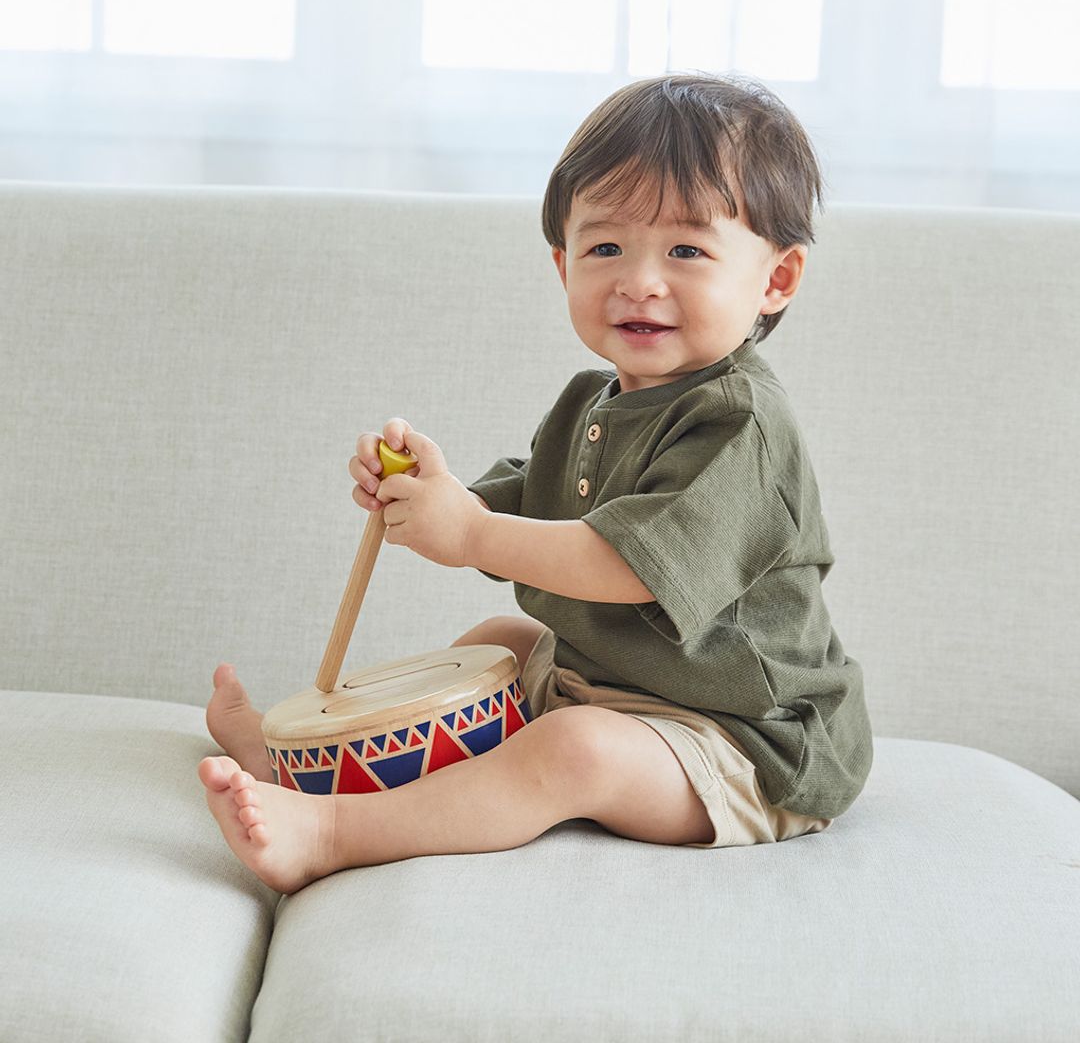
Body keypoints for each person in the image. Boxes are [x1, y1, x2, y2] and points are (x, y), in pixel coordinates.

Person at [199, 72, 873, 894]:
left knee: (574, 748)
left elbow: (624, 566)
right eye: (606, 247)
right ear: (563, 267)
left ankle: (339, 831)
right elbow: (543, 501)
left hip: (746, 741)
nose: (640, 279)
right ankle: (311, 770)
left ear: (776, 279)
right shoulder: (591, 403)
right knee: (499, 642)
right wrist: (438, 499)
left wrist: (471, 534)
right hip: (619, 684)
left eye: (687, 250)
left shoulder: (741, 427)